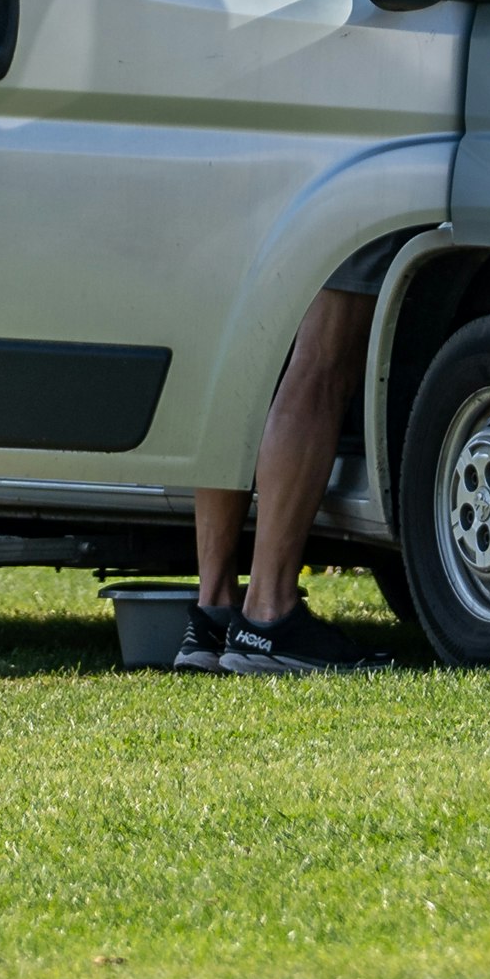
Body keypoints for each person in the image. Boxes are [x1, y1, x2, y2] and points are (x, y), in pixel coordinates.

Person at [186, 238, 397, 672]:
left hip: (258, 183)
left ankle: (215, 613)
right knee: (323, 363)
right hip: (348, 180)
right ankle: (268, 611)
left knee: (242, 363)